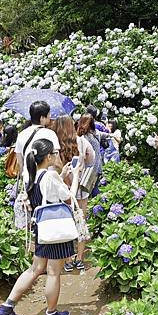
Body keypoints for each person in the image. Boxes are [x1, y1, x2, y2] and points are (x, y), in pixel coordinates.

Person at [0, 138, 84, 315]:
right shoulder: (50, 176)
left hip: (41, 228)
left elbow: (45, 194)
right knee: (53, 273)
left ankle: (7, 307)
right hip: (55, 229)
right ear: (49, 157)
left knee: (35, 269)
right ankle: (51, 314)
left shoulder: (32, 174)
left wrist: (61, 174)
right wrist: (74, 175)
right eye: (54, 153)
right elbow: (69, 197)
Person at [52, 115, 95, 272]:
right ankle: (80, 258)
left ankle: (68, 259)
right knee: (81, 223)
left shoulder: (55, 144)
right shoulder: (82, 141)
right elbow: (92, 159)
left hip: (62, 190)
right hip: (80, 190)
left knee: (65, 222)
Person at [15, 101, 61, 188]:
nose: (50, 117)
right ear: (42, 118)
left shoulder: (21, 134)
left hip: (28, 181)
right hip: (47, 182)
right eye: (48, 114)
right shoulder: (50, 134)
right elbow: (57, 163)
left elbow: (20, 163)